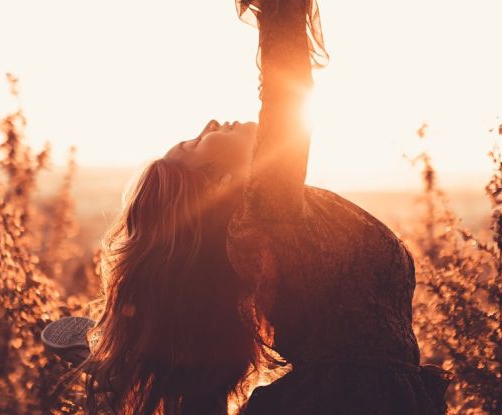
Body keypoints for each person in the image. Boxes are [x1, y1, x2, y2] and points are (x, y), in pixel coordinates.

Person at [68, 0, 450, 414]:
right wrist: (278, 11)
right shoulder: (263, 212)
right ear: (219, 183)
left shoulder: (279, 215)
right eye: (197, 141)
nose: (211, 122)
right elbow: (286, 98)